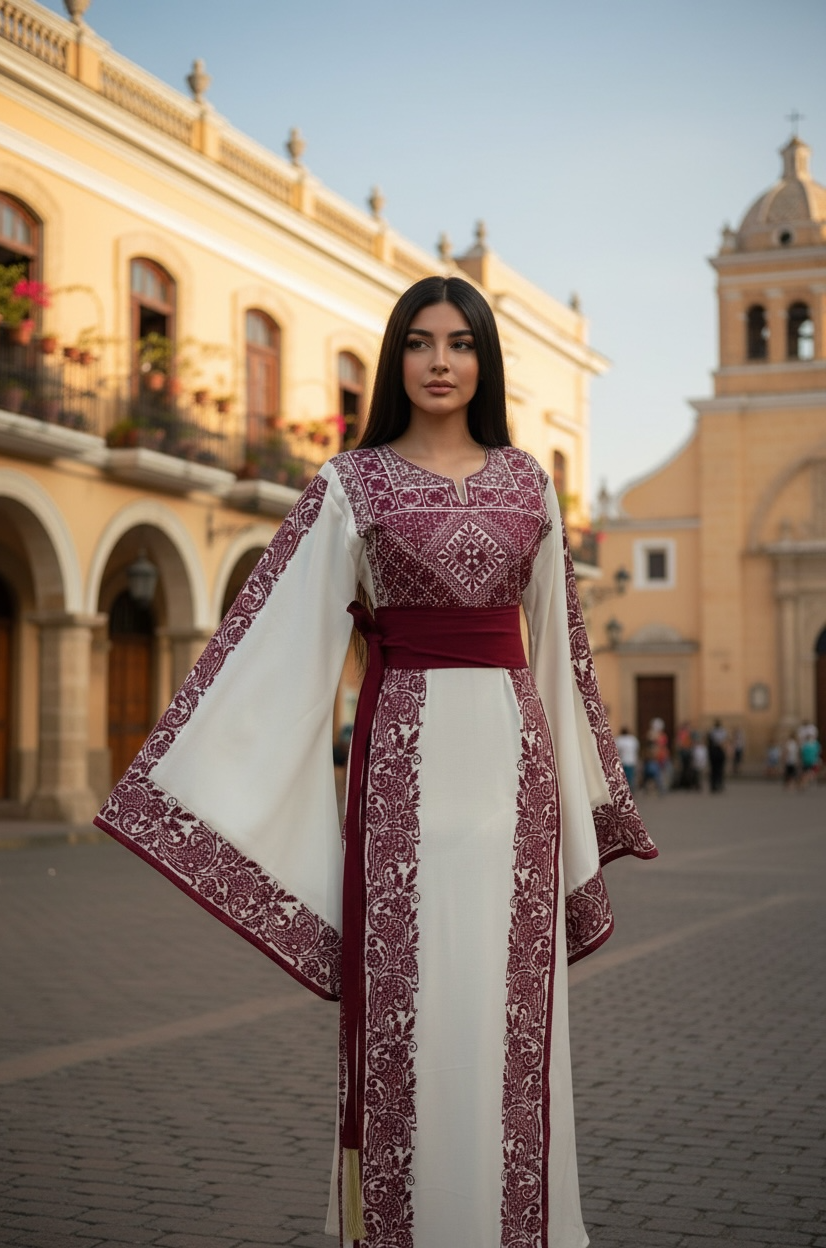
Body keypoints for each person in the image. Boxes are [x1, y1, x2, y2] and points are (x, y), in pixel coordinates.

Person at [95, 276, 657, 1248]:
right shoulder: (349, 484)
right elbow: (274, 639)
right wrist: (181, 778)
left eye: (461, 343)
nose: (440, 361)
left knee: (509, 1015)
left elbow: (563, 654)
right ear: (397, 360)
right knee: (411, 1013)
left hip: (511, 782)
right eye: (420, 342)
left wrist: (585, 804)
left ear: (484, 362)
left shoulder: (528, 483)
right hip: (403, 777)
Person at [615, 725, 640, 792]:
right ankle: (630, 790)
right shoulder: (633, 739)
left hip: (623, 761)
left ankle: (624, 790)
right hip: (631, 761)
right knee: (630, 777)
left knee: (623, 777)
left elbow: (616, 750)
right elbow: (636, 749)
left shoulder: (619, 740)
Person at [707, 719, 728, 793]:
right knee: (717, 769)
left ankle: (716, 784)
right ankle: (717, 784)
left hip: (716, 751)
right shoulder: (720, 731)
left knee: (716, 770)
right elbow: (723, 742)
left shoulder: (713, 731)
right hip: (717, 751)